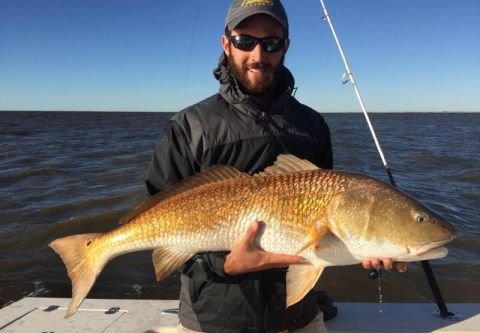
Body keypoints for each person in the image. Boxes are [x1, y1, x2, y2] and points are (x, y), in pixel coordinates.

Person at [145, 1, 405, 332]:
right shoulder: (189, 126)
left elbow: (326, 221)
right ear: (226, 44)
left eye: (270, 43)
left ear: (285, 47)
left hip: (299, 316)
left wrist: (372, 245)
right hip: (213, 319)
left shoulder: (312, 124)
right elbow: (158, 216)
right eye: (244, 41)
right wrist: (224, 263)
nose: (257, 54)